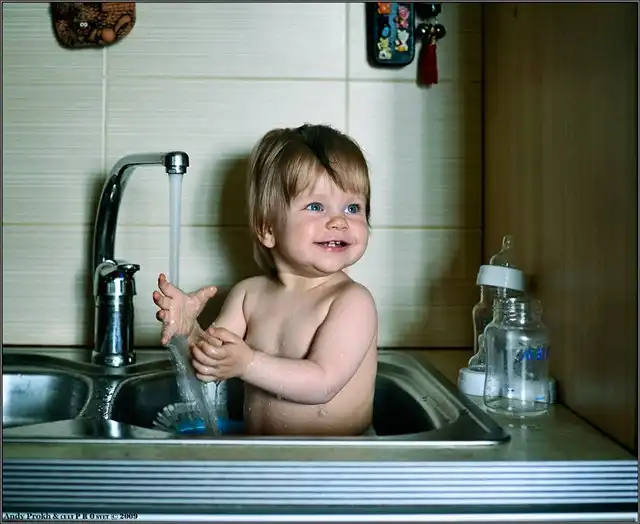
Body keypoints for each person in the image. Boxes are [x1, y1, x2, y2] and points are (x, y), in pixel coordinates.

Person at [153, 124, 378, 437]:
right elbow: (211, 365)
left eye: (353, 207)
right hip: (262, 455)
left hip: (334, 460)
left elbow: (323, 383)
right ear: (267, 229)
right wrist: (188, 331)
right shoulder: (249, 296)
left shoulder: (352, 302)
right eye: (316, 206)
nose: (340, 221)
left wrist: (248, 364)